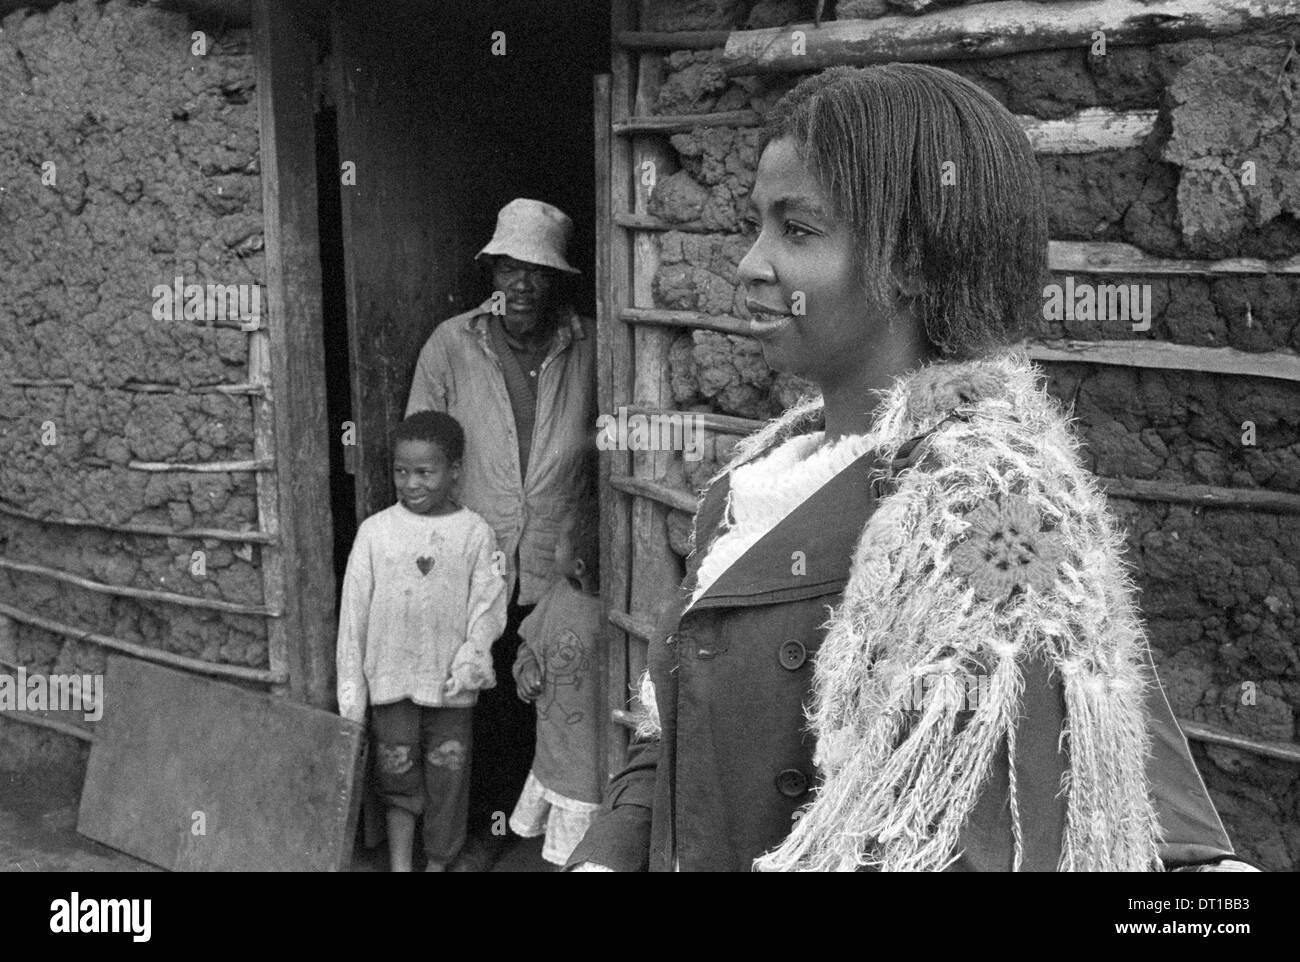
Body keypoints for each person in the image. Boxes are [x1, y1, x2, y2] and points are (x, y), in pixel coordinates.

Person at [569, 65, 1253, 872]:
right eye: (757, 225)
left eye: (798, 230)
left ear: (916, 261)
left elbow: (995, 822)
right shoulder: (755, 479)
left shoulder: (994, 522)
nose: (750, 265)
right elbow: (674, 729)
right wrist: (607, 855)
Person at [406, 198, 595, 869]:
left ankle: (530, 825)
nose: (521, 284)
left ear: (558, 280)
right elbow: (422, 451)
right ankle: (479, 828)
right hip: (470, 557)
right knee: (472, 701)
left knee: (538, 692)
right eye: (510, 265)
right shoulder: (452, 345)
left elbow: (613, 452)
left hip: (556, 554)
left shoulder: (590, 348)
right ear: (492, 267)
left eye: (538, 271)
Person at [336, 411, 507, 872]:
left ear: (454, 471)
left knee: (449, 780)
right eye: (401, 471)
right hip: (390, 683)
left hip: (451, 689)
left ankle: (437, 863)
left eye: (424, 472)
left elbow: (488, 606)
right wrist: (352, 696)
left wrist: (473, 659)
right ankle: (399, 866)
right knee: (395, 776)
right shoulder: (375, 532)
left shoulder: (476, 533)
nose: (410, 483)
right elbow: (353, 618)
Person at [508, 506, 603, 869]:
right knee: (565, 854)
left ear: (578, 566)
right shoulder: (558, 595)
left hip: (589, 772)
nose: (553, 546)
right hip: (554, 755)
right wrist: (526, 668)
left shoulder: (607, 616)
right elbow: (528, 644)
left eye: (560, 542)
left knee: (584, 855)